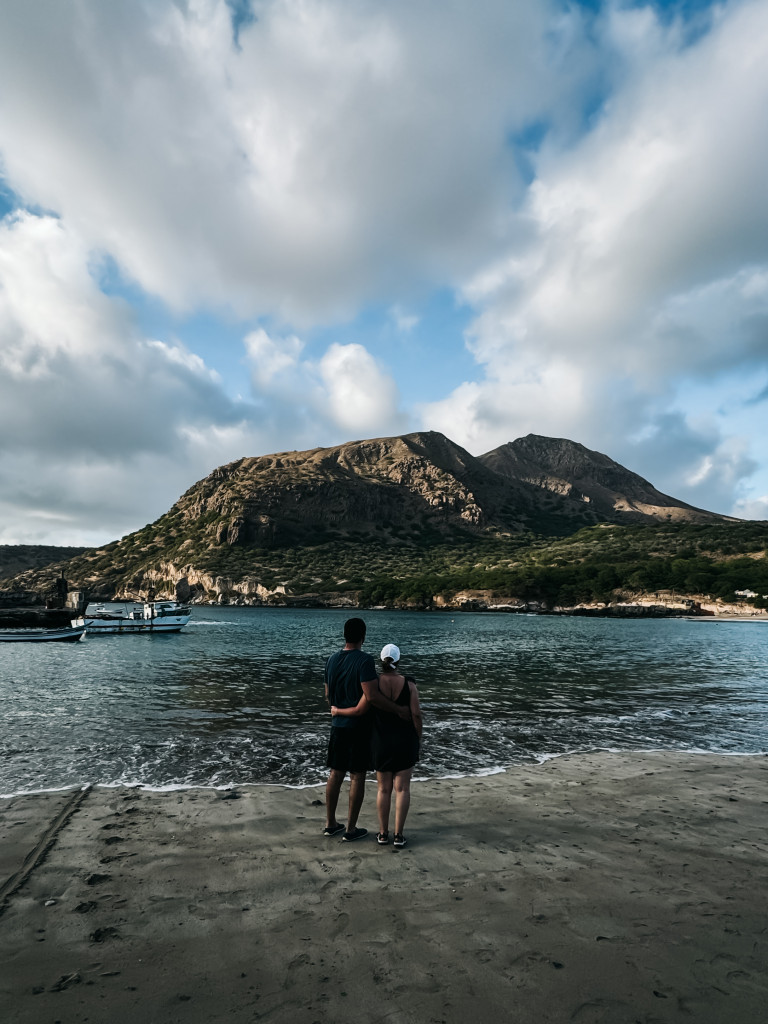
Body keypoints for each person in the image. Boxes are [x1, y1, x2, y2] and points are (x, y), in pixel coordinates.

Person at [324, 618, 410, 842]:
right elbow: (371, 696)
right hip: (357, 727)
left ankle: (330, 823)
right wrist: (398, 709)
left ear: (344, 635)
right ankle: (351, 829)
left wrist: (339, 709)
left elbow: (327, 695)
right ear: (363, 636)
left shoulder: (331, 660)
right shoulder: (363, 661)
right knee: (357, 776)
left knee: (335, 773)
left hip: (337, 727)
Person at [332, 642, 422, 849]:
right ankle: (398, 836)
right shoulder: (409, 685)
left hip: (380, 742)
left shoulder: (375, 684)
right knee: (402, 789)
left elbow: (358, 710)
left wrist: (337, 712)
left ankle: (383, 834)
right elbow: (416, 715)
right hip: (405, 740)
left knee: (383, 789)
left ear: (380, 661)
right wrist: (419, 738)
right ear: (398, 661)